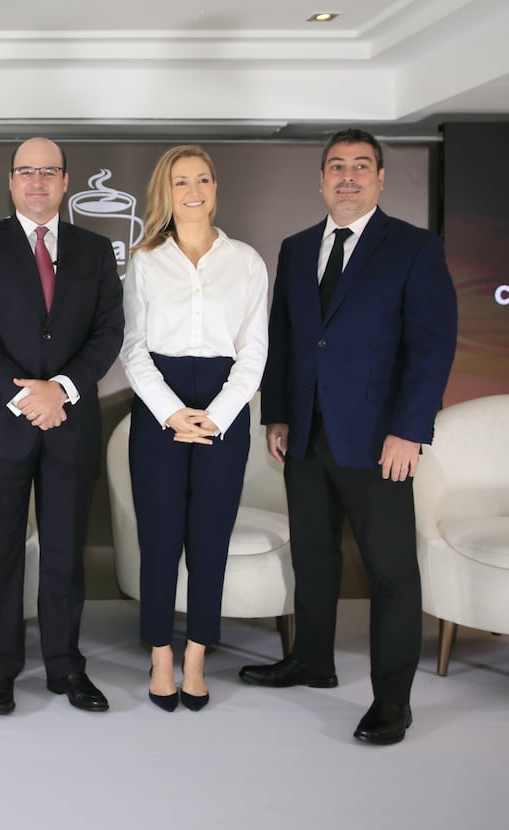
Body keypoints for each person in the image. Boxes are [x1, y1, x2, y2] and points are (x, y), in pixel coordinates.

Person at [240, 129, 457, 745]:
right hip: (306, 436)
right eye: (337, 166)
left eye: (362, 166)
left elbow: (432, 347)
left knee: (390, 572)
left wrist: (408, 432)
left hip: (378, 441)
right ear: (321, 180)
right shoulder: (297, 247)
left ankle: (393, 701)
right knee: (313, 558)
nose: (348, 176)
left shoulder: (414, 247)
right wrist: (278, 414)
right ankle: (312, 661)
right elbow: (286, 336)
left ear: (381, 178)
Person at [0, 137, 124, 715]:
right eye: (26, 171)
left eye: (49, 171)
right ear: (10, 181)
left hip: (70, 422)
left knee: (65, 554)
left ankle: (65, 665)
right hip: (2, 424)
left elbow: (108, 332)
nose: (37, 181)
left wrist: (63, 390)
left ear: (66, 181)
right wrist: (27, 397)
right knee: (0, 552)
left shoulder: (95, 251)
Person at [120, 145, 269, 712]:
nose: (193, 190)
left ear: (215, 188)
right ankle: (161, 655)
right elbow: (133, 347)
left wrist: (218, 415)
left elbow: (254, 351)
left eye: (203, 179)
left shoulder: (246, 261)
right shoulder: (144, 260)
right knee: (159, 538)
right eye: (181, 181)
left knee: (210, 537)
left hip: (224, 406)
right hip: (159, 405)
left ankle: (197, 657)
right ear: (166, 191)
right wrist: (170, 411)